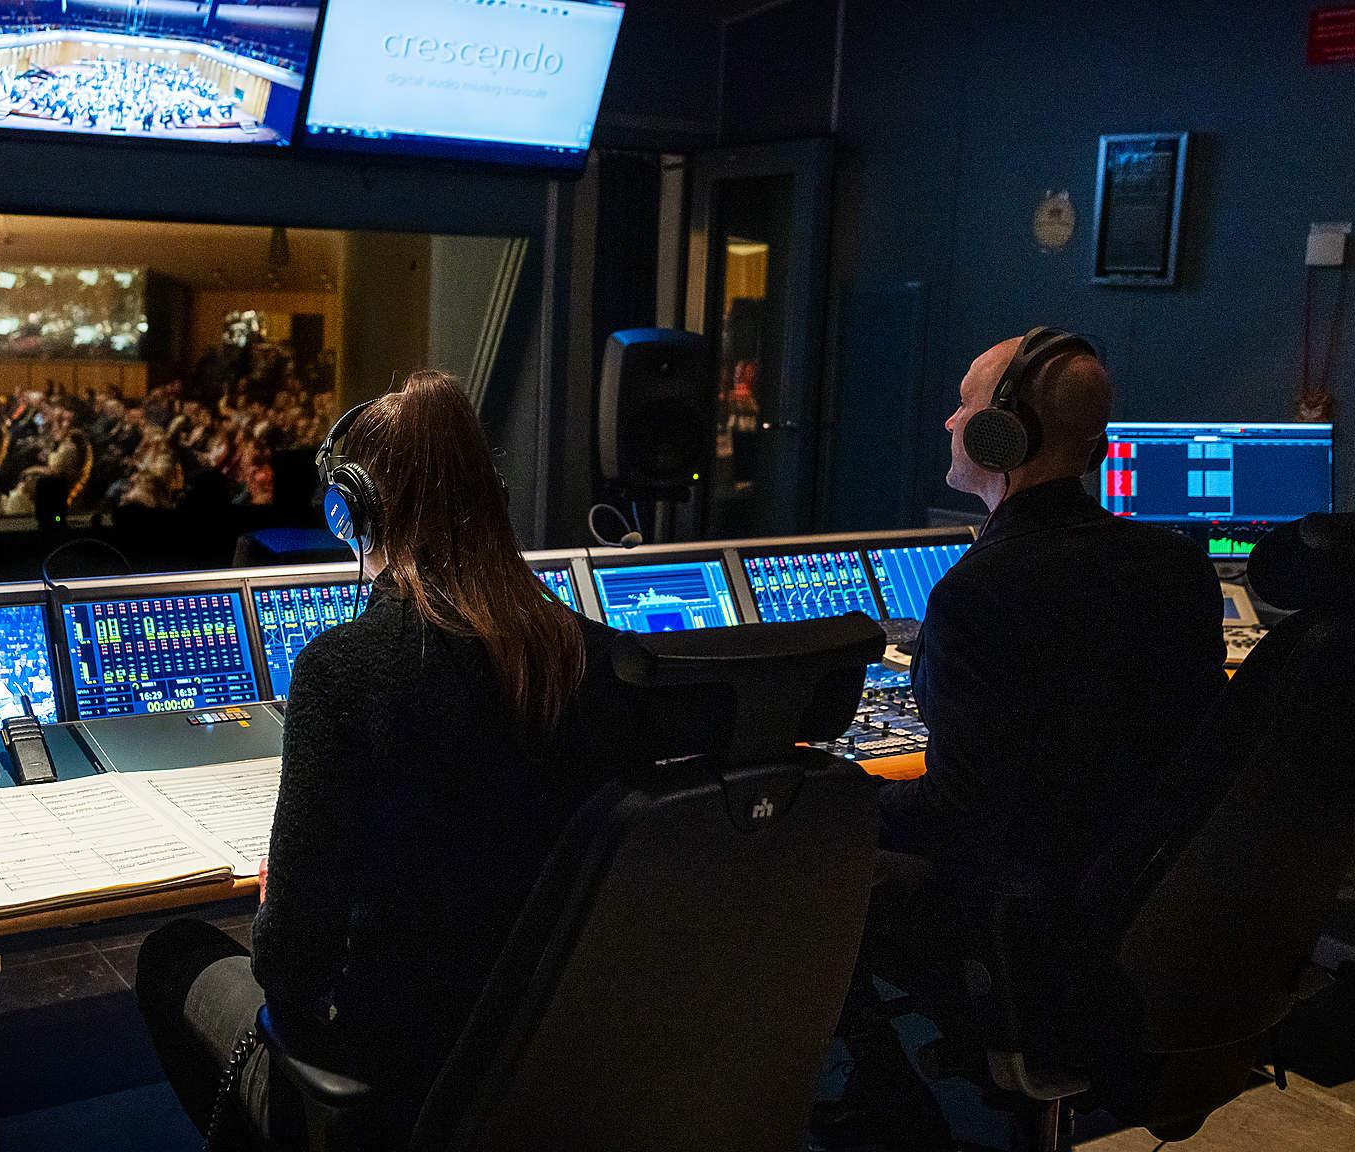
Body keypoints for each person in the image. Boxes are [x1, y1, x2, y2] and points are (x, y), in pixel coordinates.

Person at [134, 372, 718, 1147]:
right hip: (557, 1062)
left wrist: (284, 902)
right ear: (493, 496)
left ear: (352, 509)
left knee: (171, 953)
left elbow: (290, 967)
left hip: (395, 1075)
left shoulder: (342, 669)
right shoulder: (602, 657)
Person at [816, 331, 1226, 1148]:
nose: (948, 421)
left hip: (1031, 925)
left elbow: (957, 815)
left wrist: (837, 802)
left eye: (966, 402)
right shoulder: (1175, 565)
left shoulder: (984, 591)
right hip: (1148, 913)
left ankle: (895, 1116)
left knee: (820, 873)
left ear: (1004, 434)